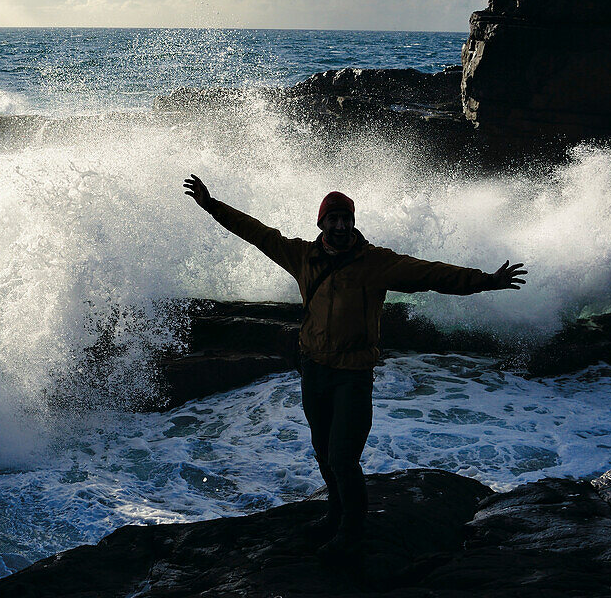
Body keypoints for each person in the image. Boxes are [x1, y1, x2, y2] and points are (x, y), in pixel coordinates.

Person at [182, 174, 526, 558]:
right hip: (313, 371)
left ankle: (352, 528)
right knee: (322, 451)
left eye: (347, 219)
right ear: (322, 223)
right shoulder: (303, 257)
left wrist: (486, 281)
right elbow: (257, 233)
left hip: (353, 377)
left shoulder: (375, 263)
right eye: (334, 219)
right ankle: (334, 513)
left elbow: (430, 274)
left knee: (343, 457)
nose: (341, 225)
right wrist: (212, 205)